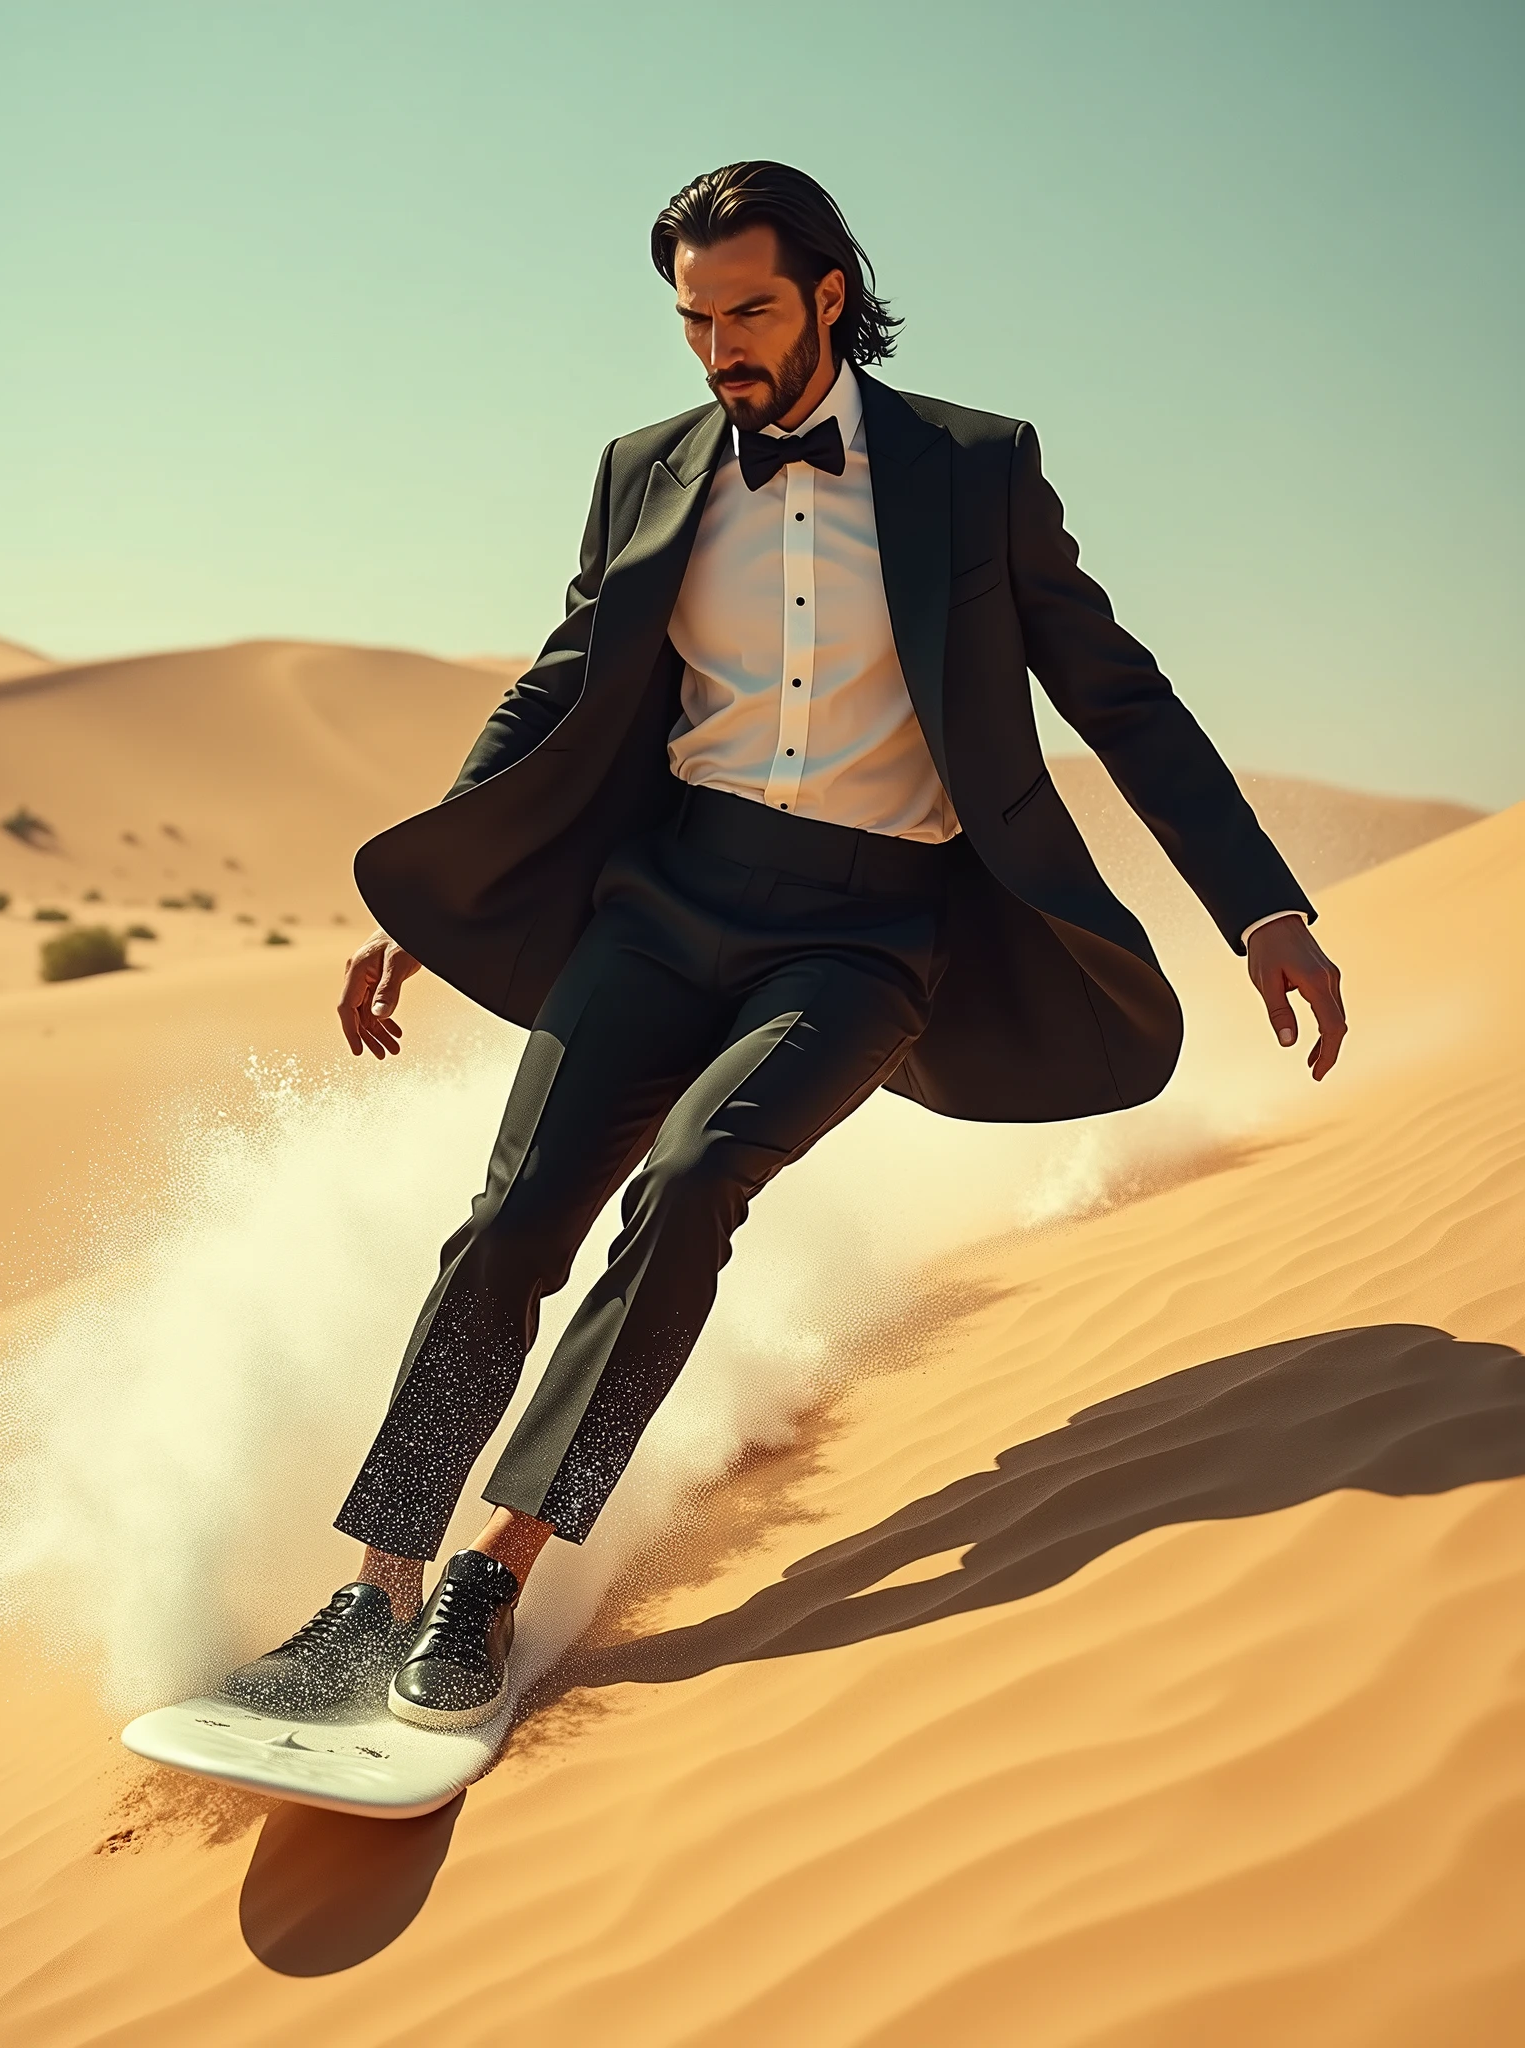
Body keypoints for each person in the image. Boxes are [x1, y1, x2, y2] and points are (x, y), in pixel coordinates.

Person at [223, 160, 1346, 1729]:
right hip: (668, 897)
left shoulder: (976, 467)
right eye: (692, 318)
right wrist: (424, 884)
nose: (718, 348)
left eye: (747, 309)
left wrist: (1261, 902)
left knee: (691, 1186)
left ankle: (496, 1567)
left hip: (874, 933)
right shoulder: (646, 469)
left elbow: (1120, 694)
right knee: (513, 1218)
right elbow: (561, 682)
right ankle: (374, 1587)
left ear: (830, 292)